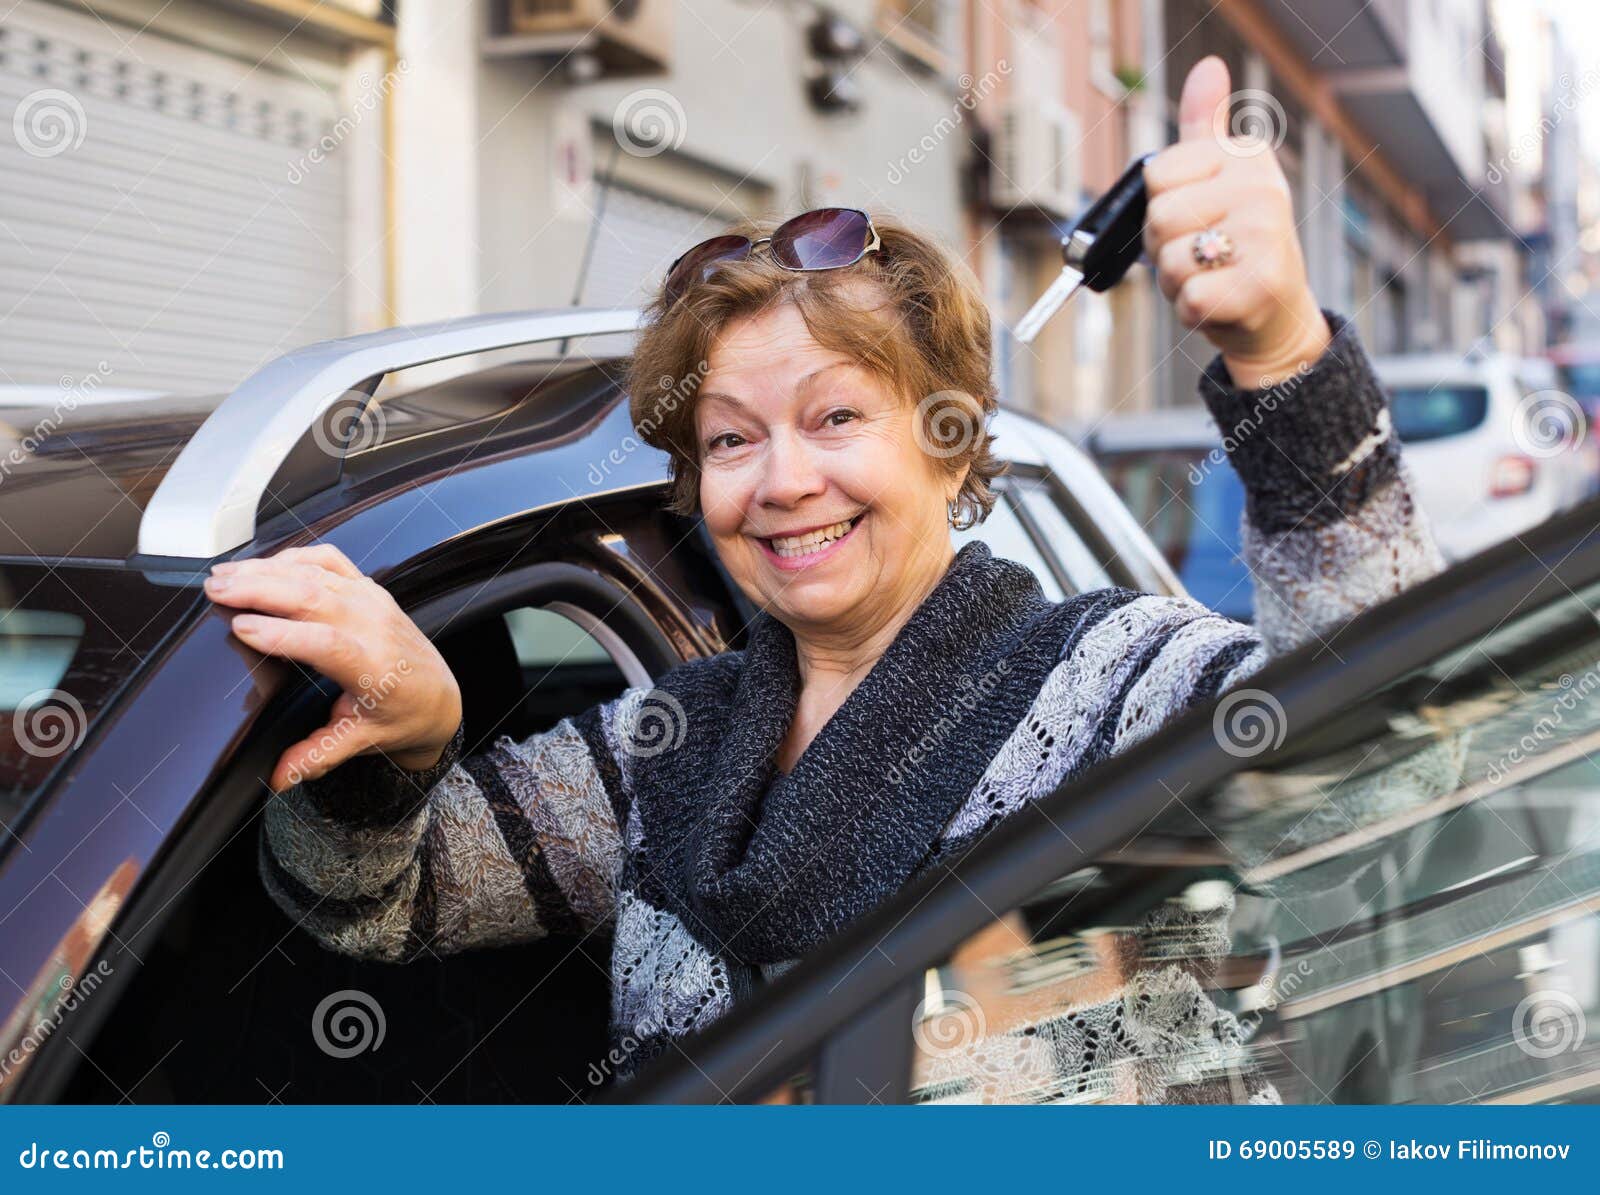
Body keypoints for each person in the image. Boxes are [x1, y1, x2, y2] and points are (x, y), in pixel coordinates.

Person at [206, 57, 1443, 1100]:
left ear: (947, 437)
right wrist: (410, 742)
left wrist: (1281, 352)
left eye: (835, 415)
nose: (782, 480)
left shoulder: (1115, 681)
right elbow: (373, 900)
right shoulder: (663, 743)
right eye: (731, 438)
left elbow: (1382, 760)